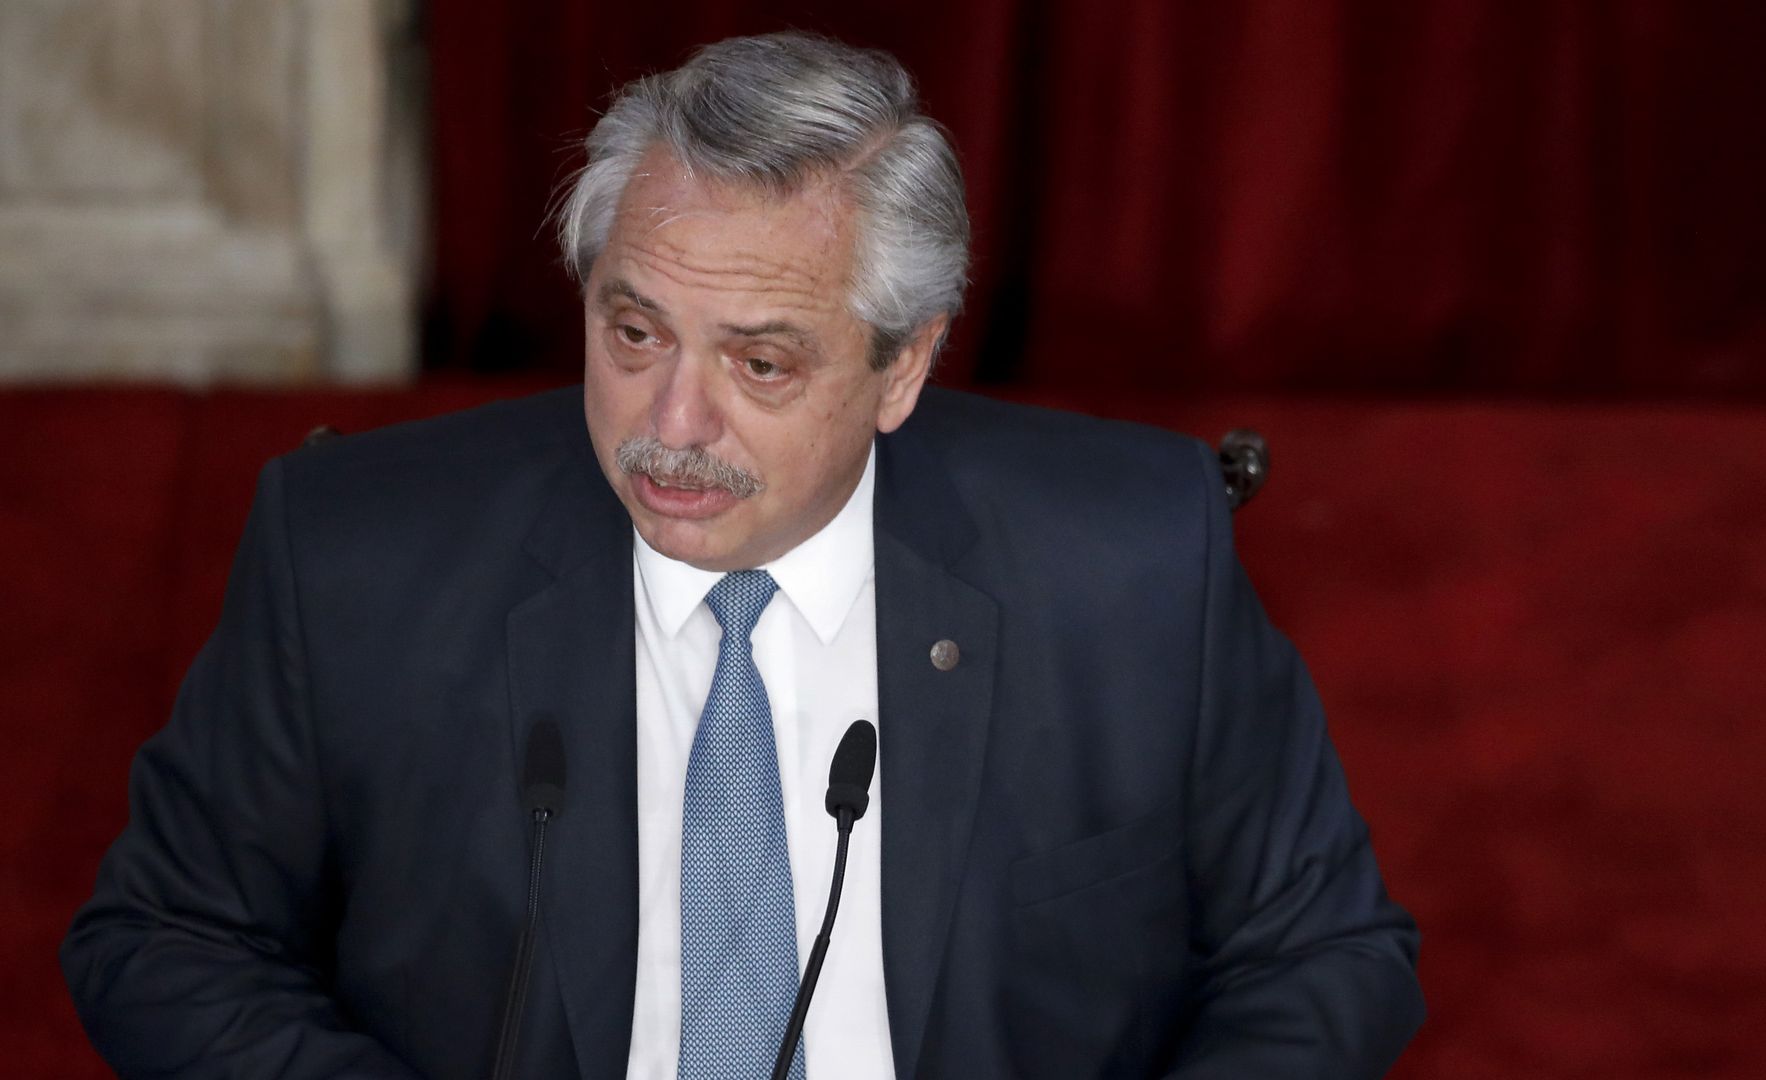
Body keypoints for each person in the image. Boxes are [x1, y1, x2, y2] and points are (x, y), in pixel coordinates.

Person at [63, 31, 1423, 1079]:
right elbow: (167, 941)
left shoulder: (1130, 560)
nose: (671, 427)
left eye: (761, 362)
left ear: (903, 367)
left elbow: (1326, 956)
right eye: (634, 332)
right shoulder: (354, 556)